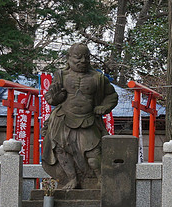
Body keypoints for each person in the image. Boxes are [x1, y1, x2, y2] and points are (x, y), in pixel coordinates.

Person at [41, 42, 119, 190]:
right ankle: (72, 179)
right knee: (61, 150)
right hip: (63, 118)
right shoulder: (61, 75)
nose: (83, 61)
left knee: (94, 154)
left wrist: (104, 107)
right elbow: (51, 98)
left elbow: (112, 96)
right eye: (78, 57)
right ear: (69, 58)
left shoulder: (98, 77)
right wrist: (55, 97)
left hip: (88, 119)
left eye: (86, 57)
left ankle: (101, 179)